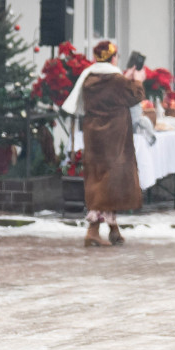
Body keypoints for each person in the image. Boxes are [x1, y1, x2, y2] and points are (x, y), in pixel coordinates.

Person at [61, 41, 145, 247]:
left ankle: (113, 229)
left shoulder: (89, 77)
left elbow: (109, 94)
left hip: (93, 135)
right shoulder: (116, 80)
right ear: (113, 57)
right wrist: (138, 80)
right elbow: (135, 96)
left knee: (98, 179)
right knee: (110, 181)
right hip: (114, 137)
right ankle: (93, 230)